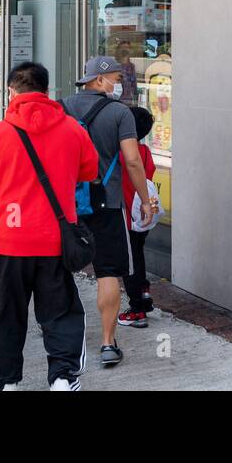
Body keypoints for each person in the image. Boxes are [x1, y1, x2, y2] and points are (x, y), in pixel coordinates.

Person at [0, 62, 98, 391]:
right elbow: (89, 171)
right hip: (56, 239)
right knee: (61, 312)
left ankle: (7, 382)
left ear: (11, 91)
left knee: (4, 315)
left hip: (9, 242)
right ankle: (63, 378)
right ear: (47, 91)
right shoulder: (72, 129)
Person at [62, 55, 158, 367]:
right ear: (100, 80)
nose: (119, 84)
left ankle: (56, 329)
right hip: (107, 203)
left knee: (58, 269)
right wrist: (144, 199)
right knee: (108, 272)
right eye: (116, 78)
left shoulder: (61, 107)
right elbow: (132, 160)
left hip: (67, 204)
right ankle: (107, 343)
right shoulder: (119, 113)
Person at [117, 106, 158, 328]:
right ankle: (143, 293)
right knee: (138, 255)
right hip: (143, 215)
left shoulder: (122, 154)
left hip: (126, 218)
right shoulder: (145, 152)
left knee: (129, 263)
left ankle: (137, 310)